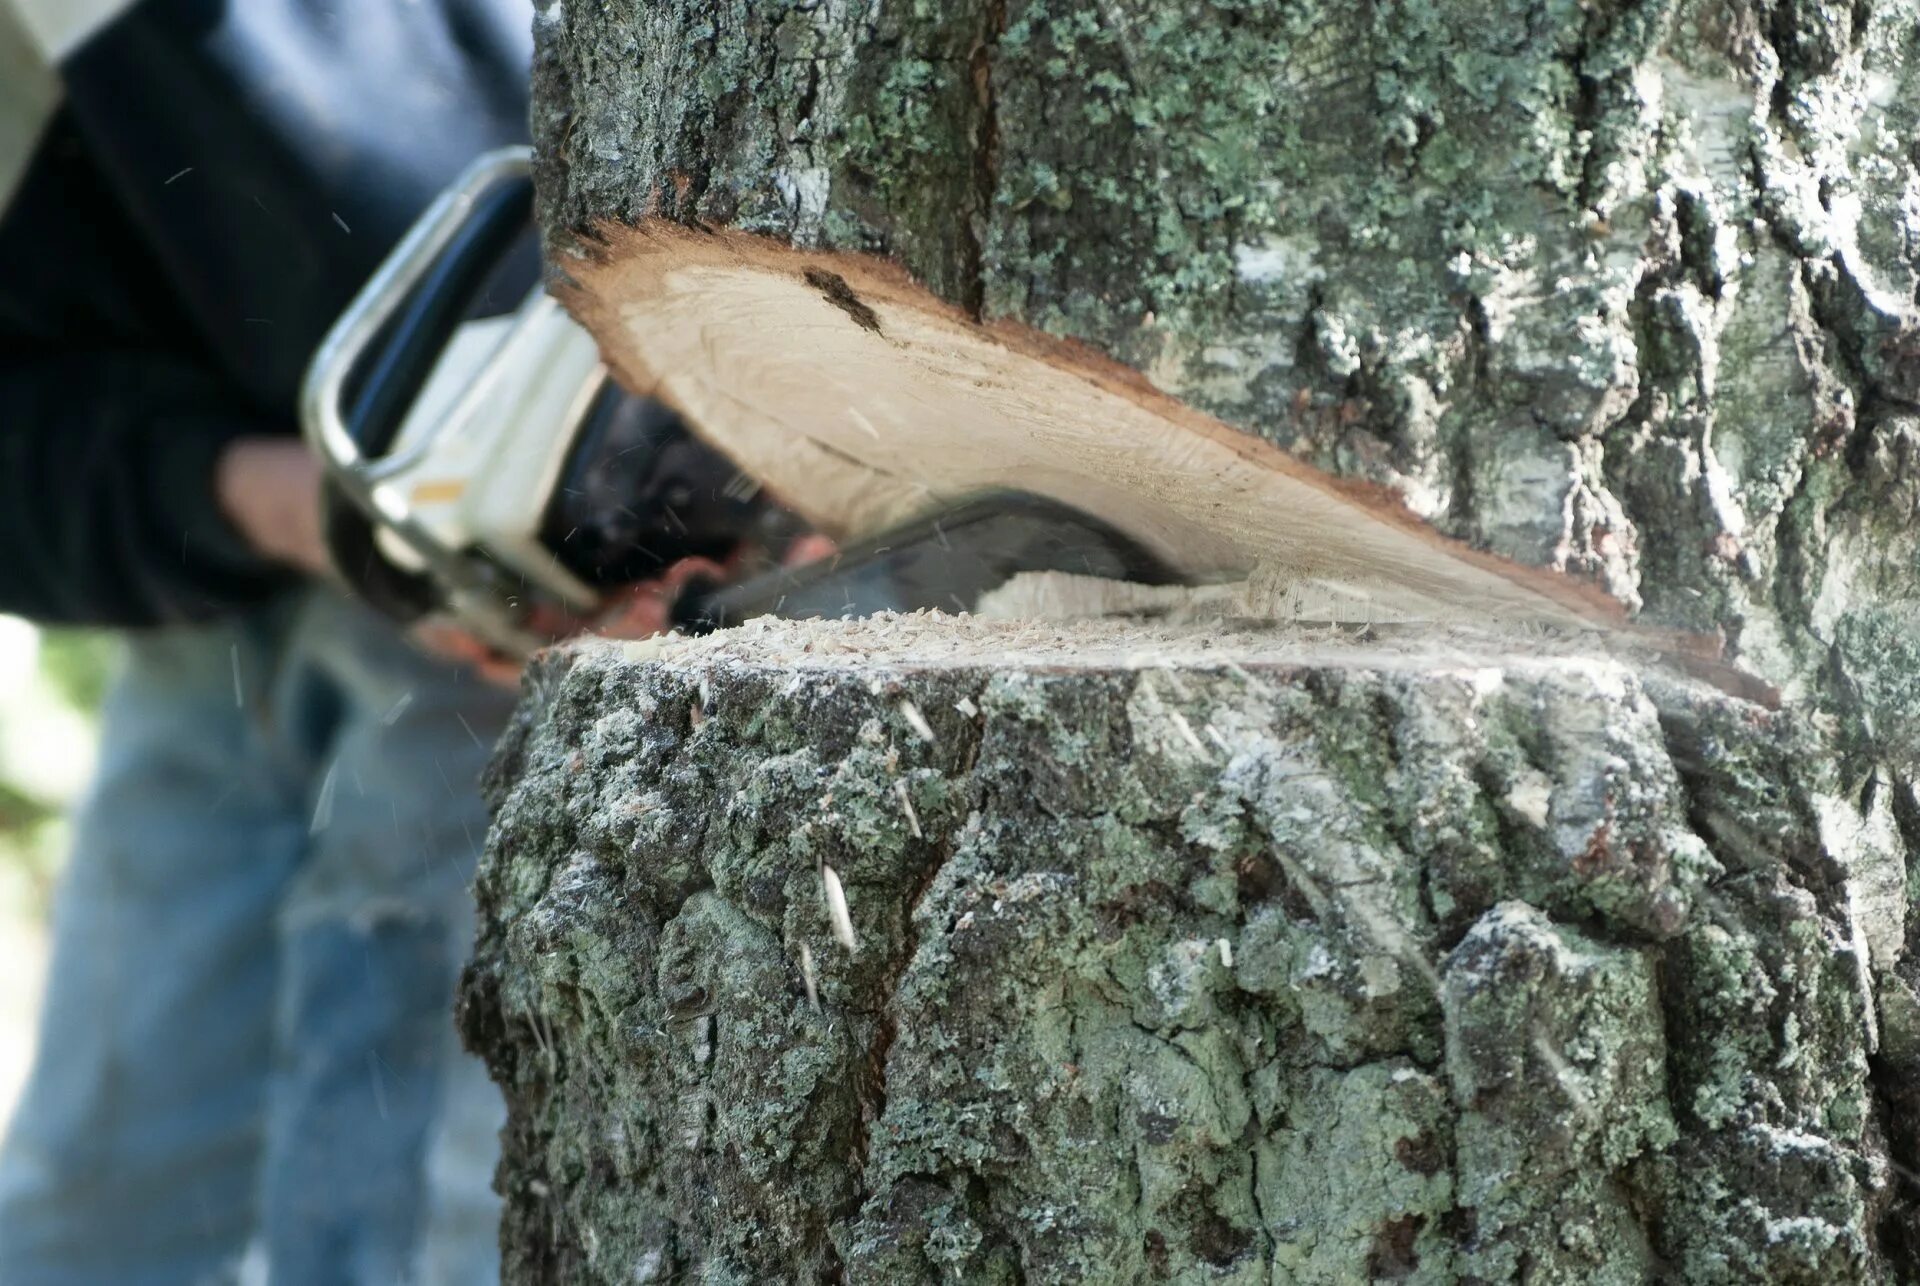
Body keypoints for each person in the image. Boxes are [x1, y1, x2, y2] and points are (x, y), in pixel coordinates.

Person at [0, 2, 543, 1280]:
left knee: (428, 1208)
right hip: (217, 585)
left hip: (503, 579)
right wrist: (250, 493)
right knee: (101, 1199)